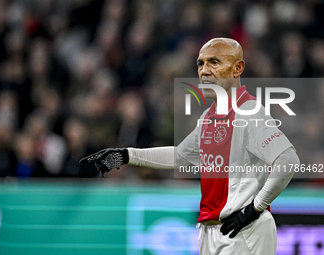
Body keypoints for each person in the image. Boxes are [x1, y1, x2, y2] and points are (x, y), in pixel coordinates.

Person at [80, 38, 299, 255]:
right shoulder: (209, 116)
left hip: (244, 231)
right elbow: (180, 157)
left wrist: (253, 208)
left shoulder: (248, 112)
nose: (204, 71)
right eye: (200, 64)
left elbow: (288, 160)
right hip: (214, 230)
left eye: (214, 62)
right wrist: (126, 155)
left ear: (237, 68)